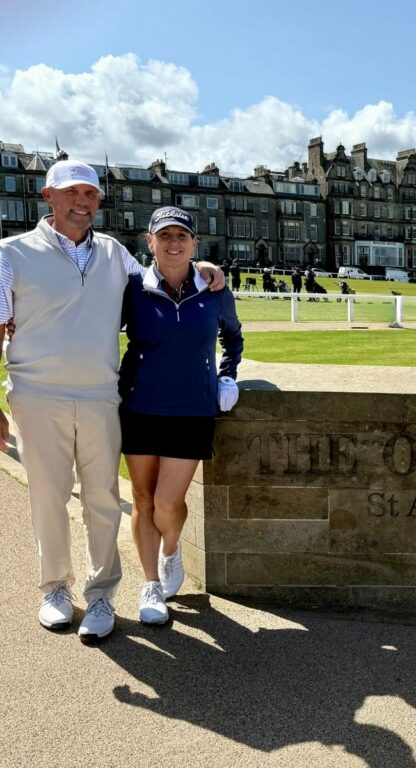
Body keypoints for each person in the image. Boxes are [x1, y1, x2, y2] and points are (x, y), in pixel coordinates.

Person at [0, 160, 224, 643]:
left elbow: (161, 277)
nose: (82, 202)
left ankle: (101, 594)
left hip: (102, 396)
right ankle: (55, 589)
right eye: (72, 193)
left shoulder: (113, 252)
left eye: (91, 194)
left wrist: (205, 268)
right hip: (37, 396)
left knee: (103, 499)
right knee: (48, 497)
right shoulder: (10, 254)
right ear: (48, 196)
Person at [119, 207, 243, 625]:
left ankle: (171, 550)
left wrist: (227, 376)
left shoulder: (214, 288)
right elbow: (96, 329)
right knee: (142, 499)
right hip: (139, 406)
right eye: (164, 235)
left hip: (192, 409)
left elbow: (233, 337)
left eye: (181, 236)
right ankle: (150, 583)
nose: (173, 243)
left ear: (193, 243)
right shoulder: (132, 287)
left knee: (167, 502)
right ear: (149, 242)